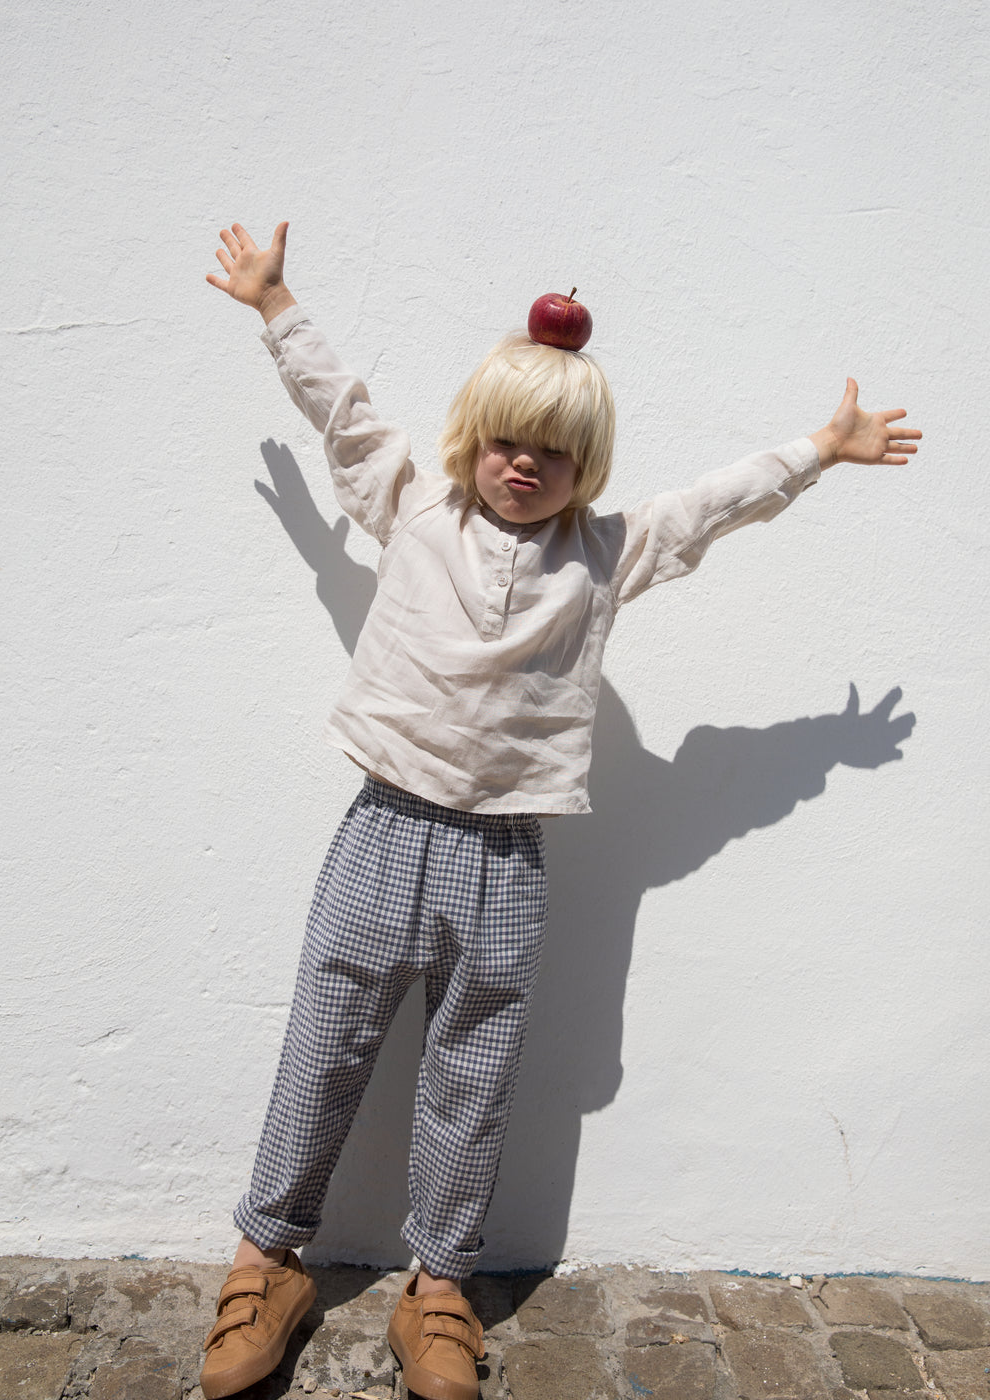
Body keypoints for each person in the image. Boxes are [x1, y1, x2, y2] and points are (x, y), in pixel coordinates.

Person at [200, 221, 920, 1400]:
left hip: (505, 854)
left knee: (472, 1076)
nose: (524, 466)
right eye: (505, 442)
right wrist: (279, 306)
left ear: (586, 466)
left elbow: (710, 507)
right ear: (471, 442)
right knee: (322, 1048)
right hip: (383, 828)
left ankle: (439, 1286)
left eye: (555, 452)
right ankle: (265, 1257)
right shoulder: (413, 508)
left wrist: (820, 449)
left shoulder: (605, 553)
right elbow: (342, 409)